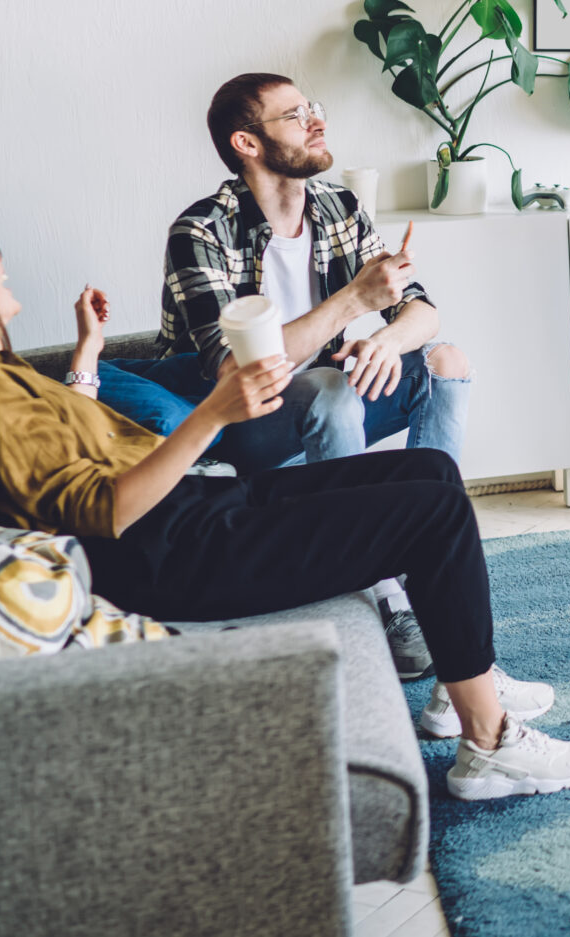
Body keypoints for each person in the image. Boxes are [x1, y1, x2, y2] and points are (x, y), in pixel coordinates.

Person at [0, 211, 570, 802]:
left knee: (429, 472)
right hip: (176, 554)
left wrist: (87, 356)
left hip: (190, 519)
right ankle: (489, 742)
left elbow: (55, 461)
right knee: (432, 516)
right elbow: (104, 509)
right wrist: (215, 413)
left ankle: (468, 684)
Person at [99, 71, 470, 677]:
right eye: (296, 115)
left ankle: (422, 560)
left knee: (445, 362)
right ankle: (379, 587)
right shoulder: (201, 231)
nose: (317, 122)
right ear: (247, 143)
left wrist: (383, 340)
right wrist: (352, 303)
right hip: (239, 419)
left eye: (313, 108)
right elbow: (237, 369)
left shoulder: (338, 208)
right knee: (329, 389)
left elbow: (422, 311)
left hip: (327, 403)